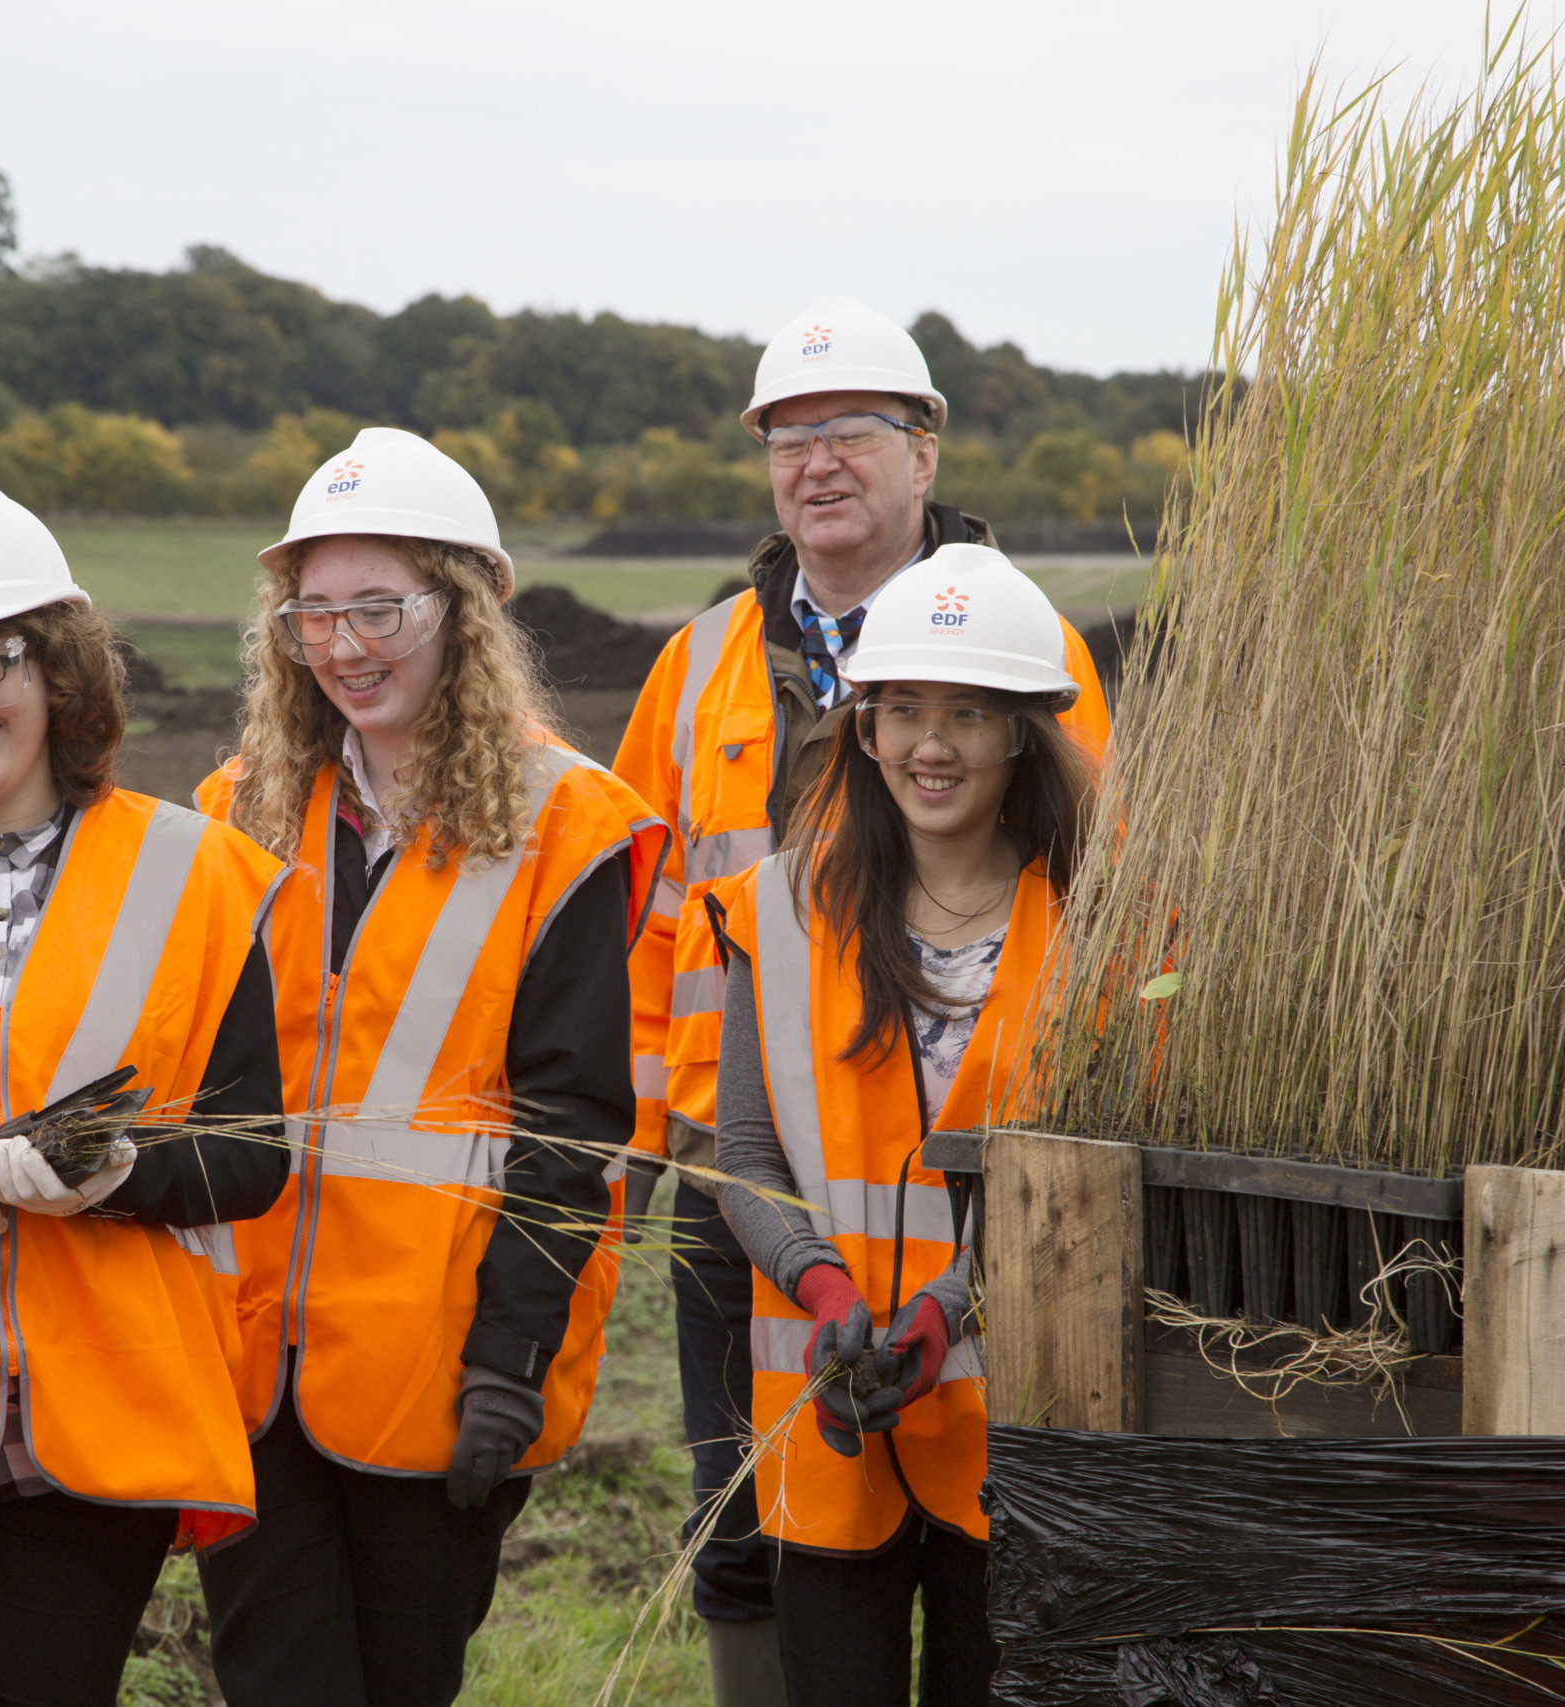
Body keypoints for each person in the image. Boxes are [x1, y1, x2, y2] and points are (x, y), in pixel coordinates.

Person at [609, 294, 1113, 1702]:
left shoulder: (1032, 646)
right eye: (788, 437)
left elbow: (1092, 891)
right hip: (751, 1186)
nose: (816, 461)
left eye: (851, 431)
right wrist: (658, 1152)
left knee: (987, 1560)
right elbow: (644, 924)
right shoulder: (697, 664)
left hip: (982, 1212)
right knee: (752, 1537)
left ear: (925, 450)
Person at [192, 428, 668, 1707]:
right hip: (248, 1366)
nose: (342, 645)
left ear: (464, 610)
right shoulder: (236, 809)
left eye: (379, 608)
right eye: (312, 613)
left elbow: (570, 1129)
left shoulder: (568, 824)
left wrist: (509, 1365)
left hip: (441, 1373)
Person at [0, 477, 290, 1707]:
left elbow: (253, 1155)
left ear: (56, 667)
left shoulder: (198, 873)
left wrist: (115, 1175)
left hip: (105, 1413)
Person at [711, 546, 1091, 1706]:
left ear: (1021, 733)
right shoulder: (778, 908)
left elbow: (1088, 1187)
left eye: (969, 712)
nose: (934, 744)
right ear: (864, 729)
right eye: (906, 709)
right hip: (830, 1411)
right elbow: (745, 1154)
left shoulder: (1103, 928)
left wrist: (943, 1316)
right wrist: (821, 1287)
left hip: (1016, 1423)